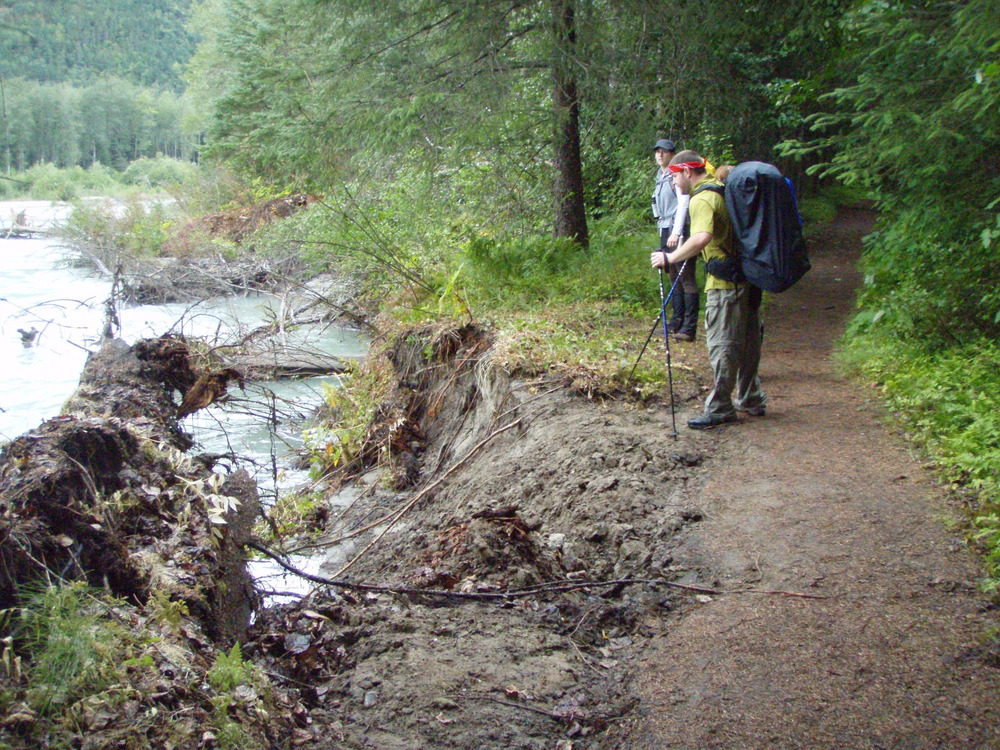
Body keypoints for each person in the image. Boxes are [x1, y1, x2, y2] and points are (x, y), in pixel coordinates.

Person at [651, 150, 766, 429]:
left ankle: (720, 407)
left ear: (687, 172)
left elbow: (702, 237)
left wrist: (670, 258)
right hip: (747, 280)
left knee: (722, 343)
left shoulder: (702, 199)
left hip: (725, 286)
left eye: (675, 176)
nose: (674, 182)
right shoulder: (722, 187)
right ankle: (751, 398)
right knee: (749, 341)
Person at [651, 139, 697, 341]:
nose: (660, 155)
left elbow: (684, 202)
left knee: (685, 275)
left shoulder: (676, 175)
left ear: (672, 154)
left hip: (677, 229)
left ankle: (689, 327)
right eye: (657, 152)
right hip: (665, 228)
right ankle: (676, 321)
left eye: (664, 152)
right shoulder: (660, 176)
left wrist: (677, 233)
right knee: (672, 275)